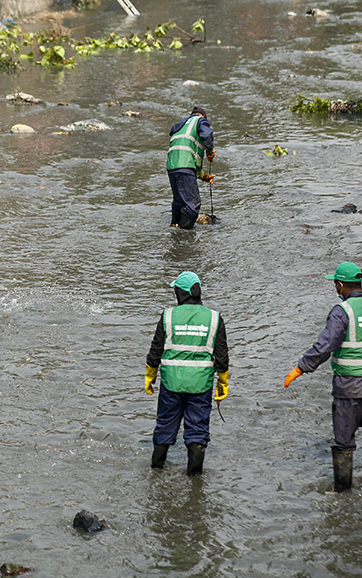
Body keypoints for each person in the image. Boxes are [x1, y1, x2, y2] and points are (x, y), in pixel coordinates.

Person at [285, 261, 362, 492]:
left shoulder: (342, 311)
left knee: (343, 444)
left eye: (335, 284)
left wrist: (301, 368)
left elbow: (326, 345)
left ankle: (343, 496)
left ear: (340, 285)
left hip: (349, 389)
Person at [143, 271, 228, 476]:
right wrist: (223, 382)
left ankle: (156, 472)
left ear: (180, 293)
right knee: (198, 432)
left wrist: (150, 376)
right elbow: (222, 356)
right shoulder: (215, 318)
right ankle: (195, 481)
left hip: (171, 384)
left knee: (165, 426)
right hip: (201, 386)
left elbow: (156, 350)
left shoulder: (168, 316)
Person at [166, 106, 215, 230]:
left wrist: (204, 176)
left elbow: (189, 154)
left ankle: (174, 229)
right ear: (203, 116)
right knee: (192, 204)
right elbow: (207, 135)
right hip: (185, 166)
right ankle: (185, 237)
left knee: (179, 202)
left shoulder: (181, 126)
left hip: (172, 166)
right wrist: (209, 150)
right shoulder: (200, 121)